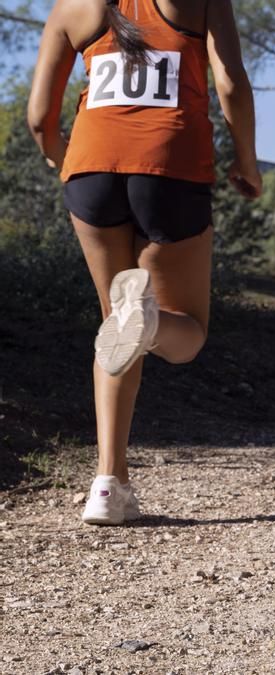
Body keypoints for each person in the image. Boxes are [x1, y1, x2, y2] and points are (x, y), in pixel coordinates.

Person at [27, 0, 260, 526]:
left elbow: (40, 118)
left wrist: (71, 164)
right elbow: (231, 84)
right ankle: (149, 320)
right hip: (170, 165)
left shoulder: (73, 8)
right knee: (187, 332)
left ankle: (108, 486)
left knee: (116, 324)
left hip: (91, 168)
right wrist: (246, 159)